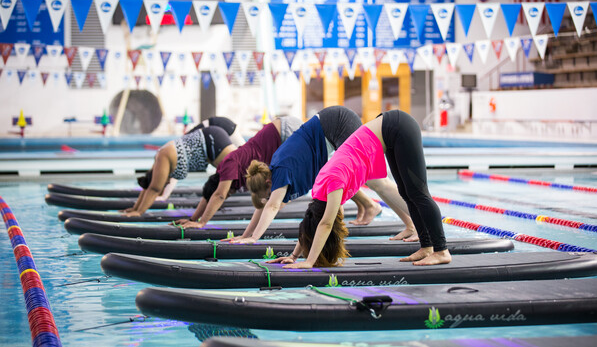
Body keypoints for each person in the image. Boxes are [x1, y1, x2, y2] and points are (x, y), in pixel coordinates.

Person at [268, 110, 451, 268]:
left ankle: (441, 250)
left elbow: (325, 223)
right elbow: (311, 222)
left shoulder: (333, 181)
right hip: (389, 131)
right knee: (406, 192)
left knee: (418, 192)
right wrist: (293, 256)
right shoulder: (319, 192)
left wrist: (308, 262)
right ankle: (426, 247)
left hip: (397, 126)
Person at [229, 106, 416, 244]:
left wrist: (254, 238)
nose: (270, 197)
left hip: (338, 123)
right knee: (372, 182)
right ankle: (411, 225)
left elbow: (272, 206)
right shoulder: (273, 172)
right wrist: (245, 236)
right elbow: (264, 206)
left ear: (269, 182)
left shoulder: (281, 171)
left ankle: (420, 225)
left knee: (378, 182)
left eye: (269, 193)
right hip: (330, 125)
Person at [174, 116, 302, 228]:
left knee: (283, 196)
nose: (228, 194)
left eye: (228, 192)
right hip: (283, 133)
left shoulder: (228, 164)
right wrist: (192, 219)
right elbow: (208, 196)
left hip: (285, 131)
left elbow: (219, 195)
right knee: (277, 197)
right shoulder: (231, 176)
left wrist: (202, 223)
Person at [123, 126, 236, 216]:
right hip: (210, 141)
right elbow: (148, 185)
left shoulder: (162, 157)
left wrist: (139, 212)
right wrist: (135, 208)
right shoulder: (159, 163)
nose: (167, 184)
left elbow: (154, 189)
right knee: (234, 179)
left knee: (242, 173)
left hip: (212, 141)